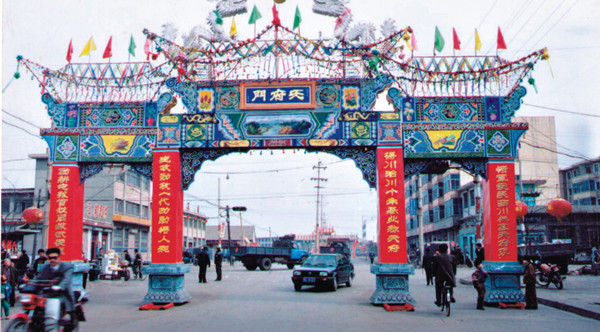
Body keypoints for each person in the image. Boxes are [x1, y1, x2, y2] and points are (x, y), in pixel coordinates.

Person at [34, 247, 75, 327]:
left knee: (60, 313)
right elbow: (38, 277)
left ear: (59, 257)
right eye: (50, 258)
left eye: (55, 258)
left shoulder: (66, 267)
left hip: (62, 293)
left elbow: (66, 280)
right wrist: (28, 283)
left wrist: (59, 287)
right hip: (47, 292)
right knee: (37, 304)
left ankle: (62, 323)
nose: (52, 260)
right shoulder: (45, 267)